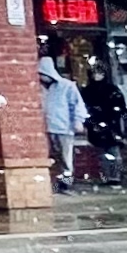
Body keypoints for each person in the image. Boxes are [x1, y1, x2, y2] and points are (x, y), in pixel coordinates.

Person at [38, 46, 86, 188]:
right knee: (54, 156)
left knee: (65, 157)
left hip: (63, 127)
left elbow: (77, 105)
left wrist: (78, 120)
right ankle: (55, 180)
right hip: (46, 128)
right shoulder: (39, 87)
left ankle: (66, 181)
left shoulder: (66, 86)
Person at [82, 60, 127, 189]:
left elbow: (120, 106)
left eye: (100, 73)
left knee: (114, 152)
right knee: (102, 153)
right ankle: (108, 177)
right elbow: (84, 108)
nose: (97, 76)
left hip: (111, 125)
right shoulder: (88, 91)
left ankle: (116, 177)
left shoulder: (111, 89)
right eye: (95, 73)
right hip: (96, 125)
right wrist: (90, 121)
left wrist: (115, 116)